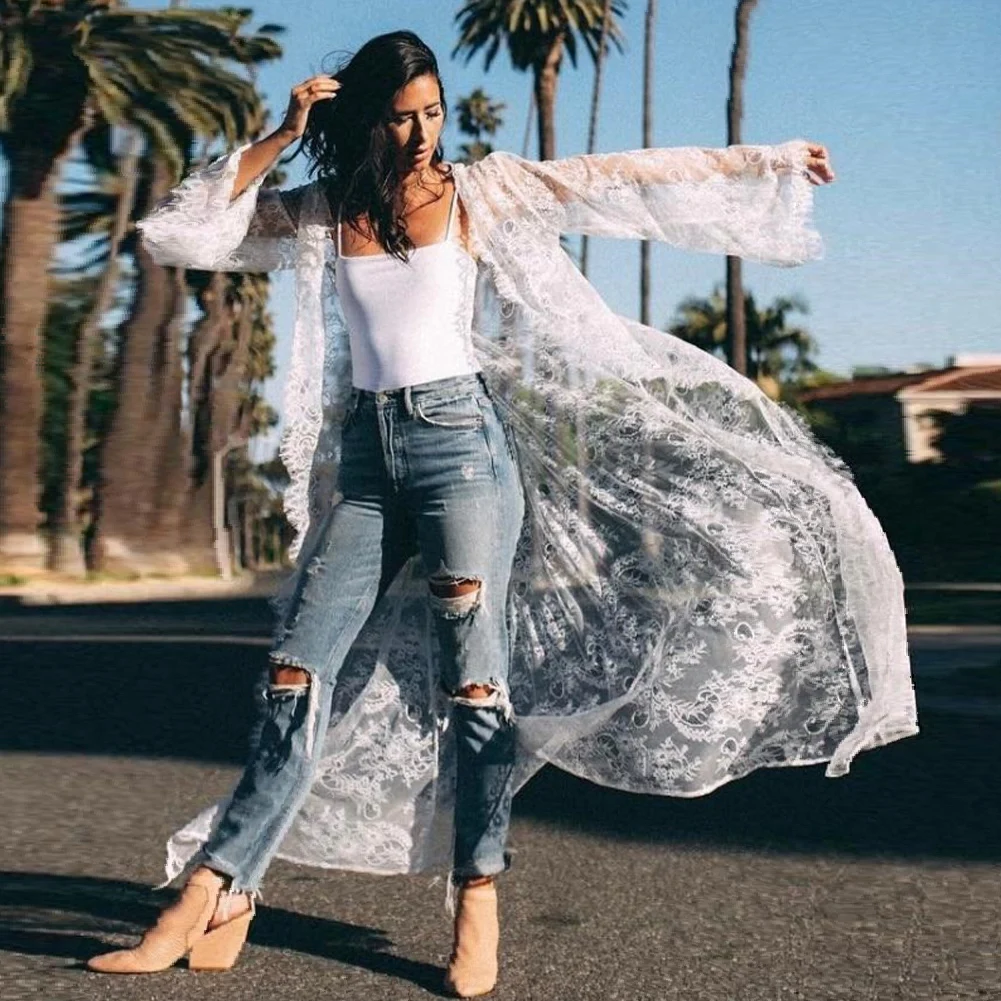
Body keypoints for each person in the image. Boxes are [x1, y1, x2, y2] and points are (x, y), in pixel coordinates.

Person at [86, 29, 916, 999]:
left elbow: (619, 179)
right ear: (365, 117)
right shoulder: (323, 209)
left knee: (473, 689)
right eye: (401, 117)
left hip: (461, 455)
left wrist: (763, 162)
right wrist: (283, 131)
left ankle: (476, 890)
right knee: (293, 673)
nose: (421, 134)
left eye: (433, 113)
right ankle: (219, 886)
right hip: (366, 463)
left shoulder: (479, 192)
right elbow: (183, 230)